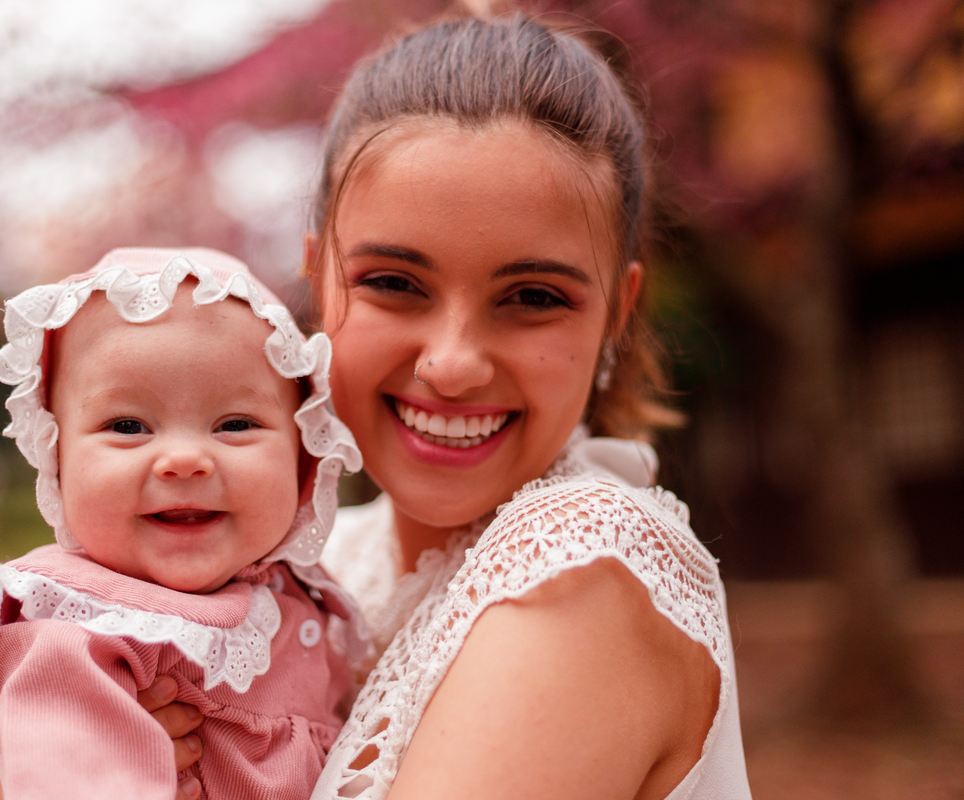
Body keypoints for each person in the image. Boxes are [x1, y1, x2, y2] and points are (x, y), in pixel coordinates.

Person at [151, 13, 751, 800]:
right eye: (395, 284)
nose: (453, 363)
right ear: (318, 280)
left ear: (617, 311)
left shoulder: (590, 569)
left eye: (532, 296)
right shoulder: (320, 570)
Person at [0, 247, 364, 800]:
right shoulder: (82, 631)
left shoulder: (301, 592)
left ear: (303, 459)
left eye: (235, 423)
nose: (184, 459)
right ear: (56, 457)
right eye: (129, 425)